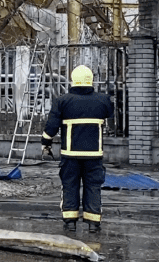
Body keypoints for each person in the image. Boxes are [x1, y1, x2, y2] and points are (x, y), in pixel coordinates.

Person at [41, 65, 114, 233]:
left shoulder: (62, 101)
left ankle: (70, 222)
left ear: (73, 79)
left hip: (70, 154)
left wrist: (46, 142)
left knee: (70, 185)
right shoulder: (103, 100)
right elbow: (110, 113)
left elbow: (51, 126)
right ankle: (93, 223)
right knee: (93, 186)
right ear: (91, 80)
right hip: (94, 155)